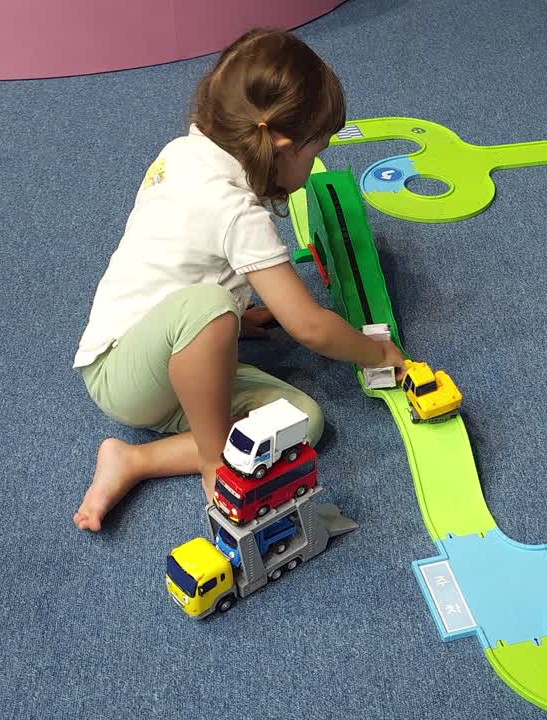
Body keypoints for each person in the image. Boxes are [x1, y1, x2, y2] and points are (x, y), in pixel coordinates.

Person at [71, 28, 405, 532]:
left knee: (301, 423)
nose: (317, 162)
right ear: (283, 147)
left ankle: (135, 459)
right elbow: (309, 327)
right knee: (207, 307)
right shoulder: (236, 212)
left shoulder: (184, 151)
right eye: (316, 151)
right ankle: (212, 458)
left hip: (162, 356)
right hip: (121, 375)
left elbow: (175, 260)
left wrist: (235, 316)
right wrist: (376, 352)